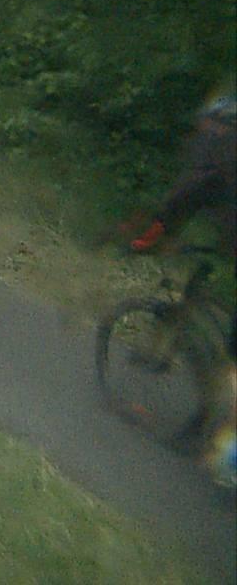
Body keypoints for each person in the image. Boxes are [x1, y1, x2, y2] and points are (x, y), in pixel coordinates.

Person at [123, 93, 237, 486]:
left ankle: (231, 460)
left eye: (208, 127)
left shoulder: (220, 163)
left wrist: (144, 241)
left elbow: (181, 201)